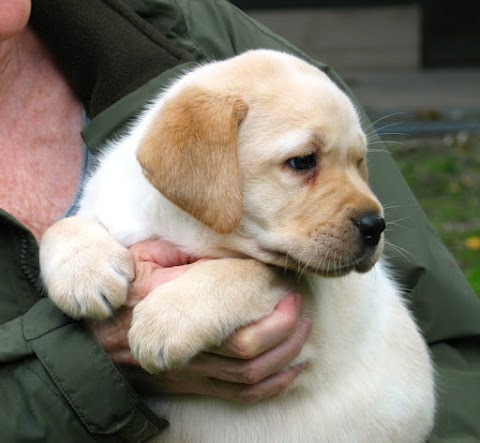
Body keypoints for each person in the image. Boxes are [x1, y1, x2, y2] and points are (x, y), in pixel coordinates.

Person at [0, 1, 478, 442]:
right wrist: (83, 353)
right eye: (302, 162)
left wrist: (243, 280)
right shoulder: (160, 160)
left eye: (359, 165)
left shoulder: (194, 32)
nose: (368, 211)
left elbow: (451, 341)